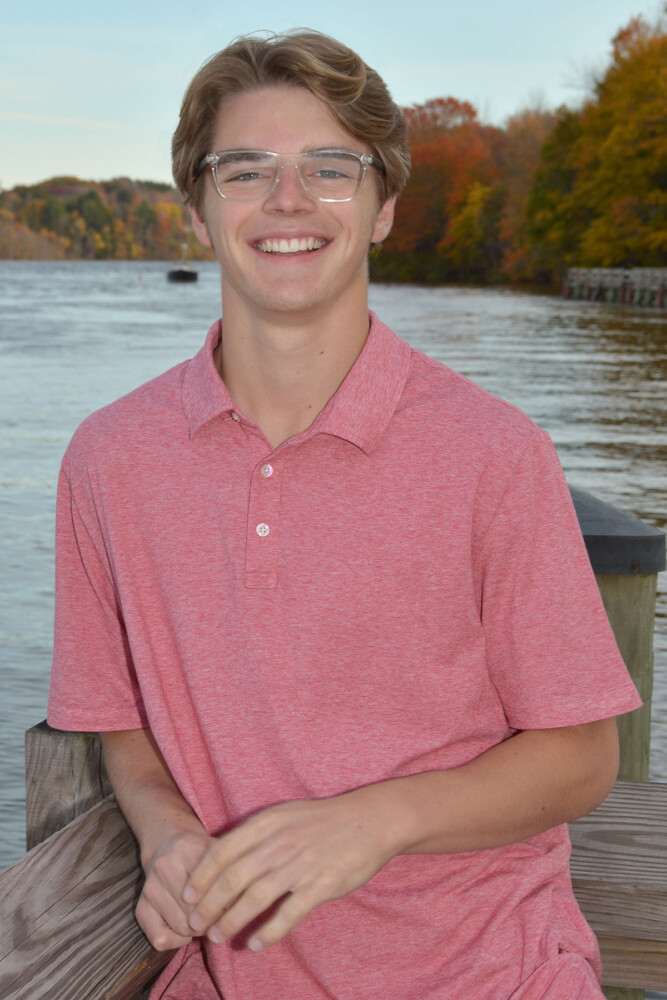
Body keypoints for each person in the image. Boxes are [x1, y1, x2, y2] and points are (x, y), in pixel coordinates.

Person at [48, 29, 641, 1000]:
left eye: (330, 168)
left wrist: (374, 822)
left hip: (490, 976)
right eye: (245, 170)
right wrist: (164, 833)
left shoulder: (493, 451)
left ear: (383, 206)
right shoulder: (110, 460)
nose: (288, 199)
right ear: (197, 210)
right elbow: (118, 722)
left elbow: (581, 756)